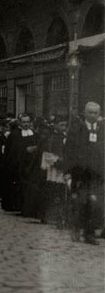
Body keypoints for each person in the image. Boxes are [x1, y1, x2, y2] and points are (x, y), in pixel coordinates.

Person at [66, 102, 104, 244]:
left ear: (99, 114)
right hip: (80, 173)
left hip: (97, 174)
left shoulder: (102, 129)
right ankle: (76, 230)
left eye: (96, 113)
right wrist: (68, 171)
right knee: (80, 203)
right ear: (85, 113)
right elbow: (69, 151)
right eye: (90, 112)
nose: (93, 115)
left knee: (94, 204)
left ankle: (89, 234)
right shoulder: (76, 129)